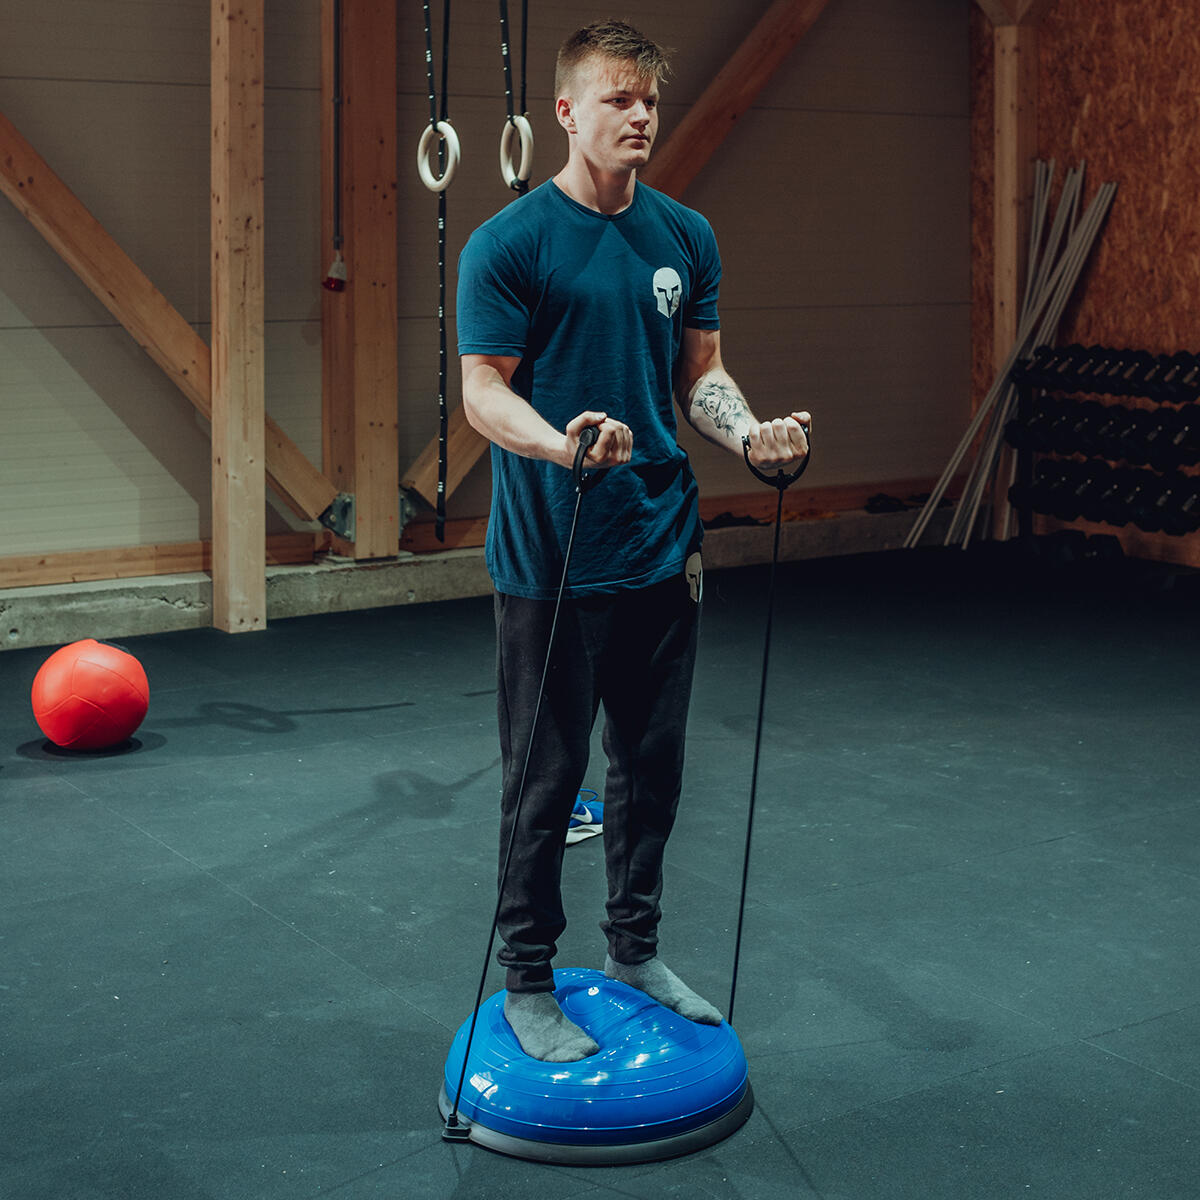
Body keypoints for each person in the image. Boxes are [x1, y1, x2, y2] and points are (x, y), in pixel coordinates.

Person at [456, 18, 810, 1063]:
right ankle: (527, 976)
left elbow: (699, 370)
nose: (641, 115)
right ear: (566, 112)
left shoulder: (685, 236)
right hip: (550, 560)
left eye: (649, 99)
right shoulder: (510, 243)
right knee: (545, 778)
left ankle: (634, 949)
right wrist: (559, 447)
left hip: (660, 547)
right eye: (618, 99)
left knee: (651, 772)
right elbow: (483, 391)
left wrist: (754, 435)